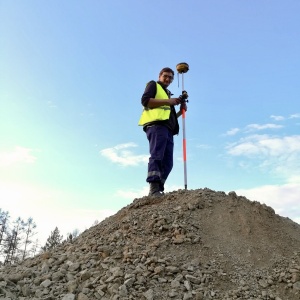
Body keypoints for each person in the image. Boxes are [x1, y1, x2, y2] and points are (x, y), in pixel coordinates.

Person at [138, 67, 187, 197]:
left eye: (171, 77)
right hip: (156, 126)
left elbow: (168, 116)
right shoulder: (153, 85)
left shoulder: (167, 93)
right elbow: (145, 101)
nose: (168, 79)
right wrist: (169, 101)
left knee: (168, 162)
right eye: (165, 76)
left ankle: (159, 188)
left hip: (168, 129)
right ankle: (153, 189)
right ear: (160, 76)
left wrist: (181, 111)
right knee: (157, 155)